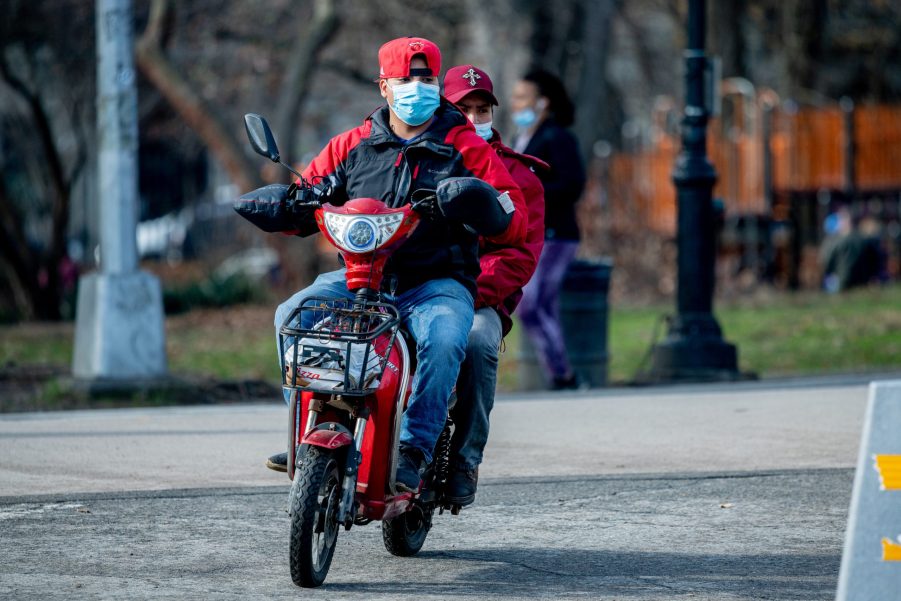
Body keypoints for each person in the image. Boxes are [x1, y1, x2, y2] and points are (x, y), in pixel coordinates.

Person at [244, 37, 527, 493]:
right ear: (384, 86)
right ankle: (306, 427)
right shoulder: (351, 144)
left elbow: (513, 214)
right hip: (358, 277)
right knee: (291, 316)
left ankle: (415, 449)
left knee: (446, 339)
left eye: (427, 79)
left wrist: (479, 204)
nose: (419, 88)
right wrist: (294, 204)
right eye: (407, 79)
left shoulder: (466, 147)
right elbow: (308, 191)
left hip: (436, 282)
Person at [440, 64, 546, 505]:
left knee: (479, 340)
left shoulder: (520, 176)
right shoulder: (419, 157)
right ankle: (325, 443)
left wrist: (466, 291)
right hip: (410, 286)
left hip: (478, 297)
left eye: (482, 110)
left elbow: (520, 256)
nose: (473, 118)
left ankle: (466, 458)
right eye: (463, 109)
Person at [509, 69, 586, 390]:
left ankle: (562, 373)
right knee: (541, 305)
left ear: (543, 102)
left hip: (556, 234)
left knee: (533, 304)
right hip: (533, 234)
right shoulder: (521, 138)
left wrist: (528, 192)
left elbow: (572, 184)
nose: (515, 104)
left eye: (522, 97)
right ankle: (560, 375)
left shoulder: (557, 137)